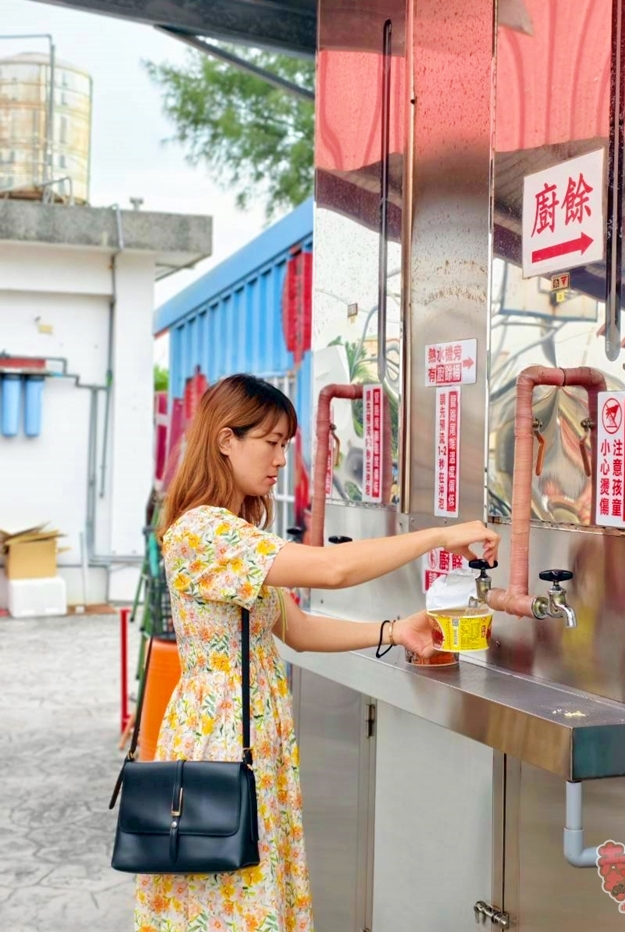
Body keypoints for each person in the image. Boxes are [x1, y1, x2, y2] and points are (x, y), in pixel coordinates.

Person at [135, 374, 499, 932]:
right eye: (271, 442)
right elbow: (334, 568)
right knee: (224, 900)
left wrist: (396, 629)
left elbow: (297, 629)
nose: (282, 458)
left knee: (250, 892)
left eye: (286, 444)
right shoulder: (204, 532)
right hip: (221, 738)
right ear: (225, 440)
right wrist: (438, 535)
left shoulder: (235, 533)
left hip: (253, 732)